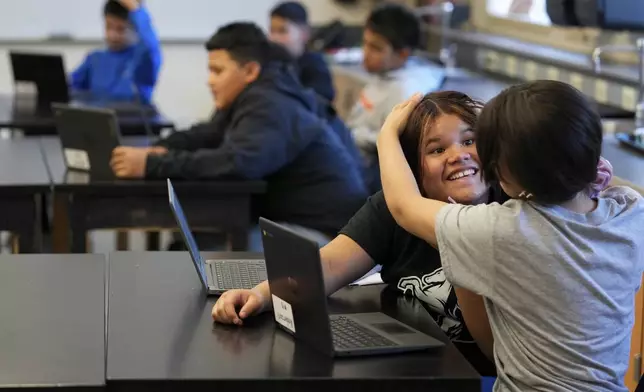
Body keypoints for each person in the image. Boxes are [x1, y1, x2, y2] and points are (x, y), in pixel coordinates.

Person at [211, 91, 507, 375]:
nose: (458, 155)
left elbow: (499, 350)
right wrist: (260, 294)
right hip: (414, 369)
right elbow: (329, 264)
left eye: (469, 141)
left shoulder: (510, 213)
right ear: (410, 169)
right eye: (437, 149)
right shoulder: (392, 207)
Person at [377, 80, 643, 391]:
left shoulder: (501, 230)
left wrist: (387, 135)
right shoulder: (631, 214)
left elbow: (403, 206)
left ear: (502, 173)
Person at [110, 22, 367, 245]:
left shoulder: (271, 105)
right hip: (291, 222)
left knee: (200, 249)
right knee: (194, 238)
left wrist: (152, 164)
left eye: (218, 71)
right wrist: (161, 148)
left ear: (250, 71)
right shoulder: (252, 96)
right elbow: (208, 133)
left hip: (328, 238)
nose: (209, 81)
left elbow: (237, 163)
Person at [350, 3, 446, 193]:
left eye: (375, 48)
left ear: (402, 54)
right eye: (365, 43)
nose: (365, 53)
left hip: (369, 176)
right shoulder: (383, 74)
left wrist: (351, 135)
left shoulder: (406, 91)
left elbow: (394, 144)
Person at [71, 0, 162, 103]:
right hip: (99, 118)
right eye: (108, 27)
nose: (112, 35)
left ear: (135, 29)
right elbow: (68, 88)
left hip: (130, 118)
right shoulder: (95, 59)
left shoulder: (141, 60)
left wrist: (135, 10)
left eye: (121, 29)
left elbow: (149, 47)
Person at [269, 1, 335, 103]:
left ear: (304, 34)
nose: (274, 38)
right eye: (272, 31)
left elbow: (320, 103)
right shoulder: (270, 63)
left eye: (282, 31)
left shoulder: (316, 66)